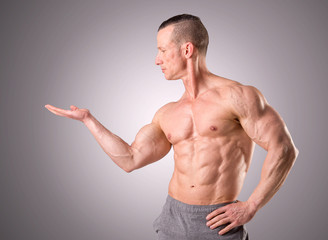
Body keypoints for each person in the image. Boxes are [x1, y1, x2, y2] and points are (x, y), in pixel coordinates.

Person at [45, 14, 298, 240]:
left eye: (163, 50)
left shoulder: (238, 96)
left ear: (187, 49)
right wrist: (89, 120)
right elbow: (130, 159)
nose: (157, 60)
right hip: (173, 218)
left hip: (219, 220)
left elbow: (284, 149)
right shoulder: (167, 113)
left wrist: (251, 206)